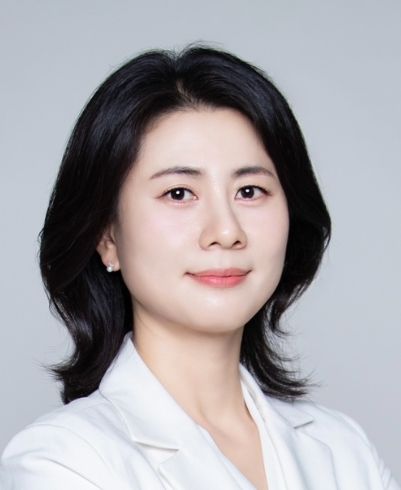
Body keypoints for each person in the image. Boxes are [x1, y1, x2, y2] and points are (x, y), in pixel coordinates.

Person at [0, 43, 398, 490]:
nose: (225, 231)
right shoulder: (62, 461)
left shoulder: (344, 449)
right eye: (179, 194)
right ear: (107, 237)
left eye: (249, 191)